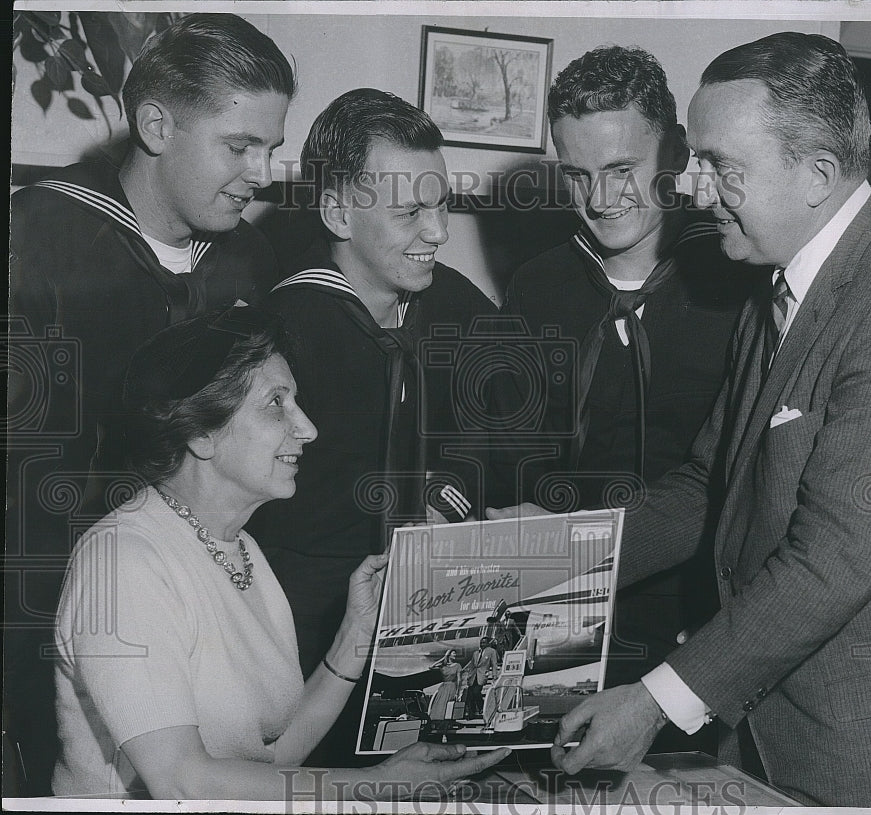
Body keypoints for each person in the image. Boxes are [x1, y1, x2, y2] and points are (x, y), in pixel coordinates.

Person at [533, 33, 871, 808]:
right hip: (767, 729)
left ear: (816, 175)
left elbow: (834, 561)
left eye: (721, 166)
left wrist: (652, 702)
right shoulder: (774, 282)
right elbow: (707, 485)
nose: (697, 187)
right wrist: (550, 556)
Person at [52, 306, 508, 799]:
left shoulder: (241, 547)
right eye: (276, 404)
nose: (308, 428)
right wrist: (378, 784)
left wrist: (356, 633)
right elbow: (182, 780)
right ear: (200, 433)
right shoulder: (123, 560)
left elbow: (273, 758)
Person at [6, 13, 294, 793]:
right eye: (240, 146)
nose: (262, 172)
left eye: (271, 146)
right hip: (43, 612)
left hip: (200, 603)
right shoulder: (34, 238)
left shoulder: (248, 262)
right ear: (157, 125)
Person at [487, 46, 755, 727]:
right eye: (577, 176)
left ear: (674, 153)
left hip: (696, 623)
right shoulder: (534, 287)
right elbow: (509, 464)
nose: (600, 201)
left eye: (621, 170)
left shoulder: (739, 283)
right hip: (558, 606)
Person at [249, 89, 496, 766]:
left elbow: (506, 444)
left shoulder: (458, 307)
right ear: (336, 210)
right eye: (410, 211)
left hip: (434, 631)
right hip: (300, 644)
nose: (439, 231)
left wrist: (453, 499)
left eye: (442, 203)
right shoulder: (276, 334)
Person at [462, 639, 500, 720]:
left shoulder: (491, 651)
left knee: (476, 692)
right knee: (470, 695)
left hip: (482, 675)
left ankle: (481, 707)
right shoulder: (476, 653)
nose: (482, 644)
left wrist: (494, 675)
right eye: (481, 643)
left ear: (487, 644)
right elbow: (472, 665)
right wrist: (469, 675)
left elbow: (494, 664)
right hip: (473, 676)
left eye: (484, 643)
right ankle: (471, 714)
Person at [427, 650, 462, 721]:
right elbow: (431, 667)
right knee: (439, 704)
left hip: (452, 686)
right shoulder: (443, 666)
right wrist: (444, 657)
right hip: (443, 687)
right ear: (449, 655)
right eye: (453, 654)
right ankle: (437, 721)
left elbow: (459, 680)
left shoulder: (457, 665)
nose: (455, 655)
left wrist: (457, 692)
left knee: (447, 705)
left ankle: (446, 721)